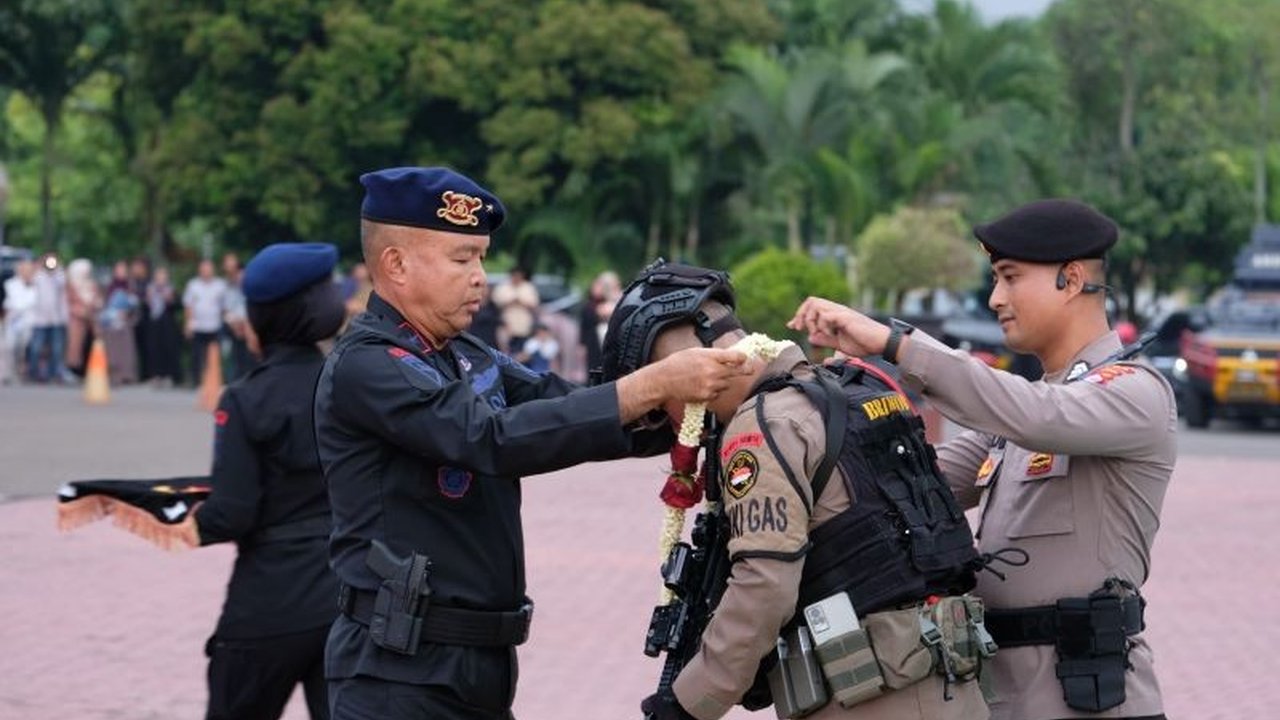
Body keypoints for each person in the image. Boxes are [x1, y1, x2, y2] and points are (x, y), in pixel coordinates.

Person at [313, 167, 749, 720]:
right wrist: (652, 384)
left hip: (478, 664)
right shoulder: (368, 365)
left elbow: (561, 405)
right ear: (396, 265)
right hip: (397, 673)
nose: (480, 277)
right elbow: (490, 438)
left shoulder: (465, 353)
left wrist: (686, 409)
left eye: (480, 258)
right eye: (461, 258)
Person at [788, 199, 1177, 720]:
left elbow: (1036, 413)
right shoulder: (1018, 419)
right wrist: (825, 404)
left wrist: (895, 343)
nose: (996, 298)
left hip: (1089, 696)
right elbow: (914, 484)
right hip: (995, 695)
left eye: (1010, 277)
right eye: (995, 279)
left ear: (1071, 279)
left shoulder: (1133, 393)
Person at [598, 261, 988, 720]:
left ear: (683, 368)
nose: (671, 417)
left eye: (660, 396)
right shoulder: (838, 389)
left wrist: (686, 704)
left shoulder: (763, 426)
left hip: (874, 700)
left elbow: (763, 589)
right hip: (945, 685)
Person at [175, 242, 346, 720]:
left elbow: (232, 513)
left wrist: (174, 517)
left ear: (262, 318)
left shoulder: (246, 400)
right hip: (350, 592)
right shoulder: (349, 384)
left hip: (271, 598)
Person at [184, 258, 228, 387]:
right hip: (198, 326)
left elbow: (224, 306)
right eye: (204, 269)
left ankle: (216, 380)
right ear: (199, 270)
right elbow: (189, 306)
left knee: (215, 355)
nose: (206, 271)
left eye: (208, 268)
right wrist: (188, 323)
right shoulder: (193, 285)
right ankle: (197, 381)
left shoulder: (220, 285)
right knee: (197, 355)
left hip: (215, 325)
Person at [491, 264, 539, 353]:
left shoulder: (528, 287)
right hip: (506, 325)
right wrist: (510, 302)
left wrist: (521, 302)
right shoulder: (502, 287)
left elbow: (534, 304)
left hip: (524, 327)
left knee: (521, 351)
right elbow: (496, 303)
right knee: (504, 351)